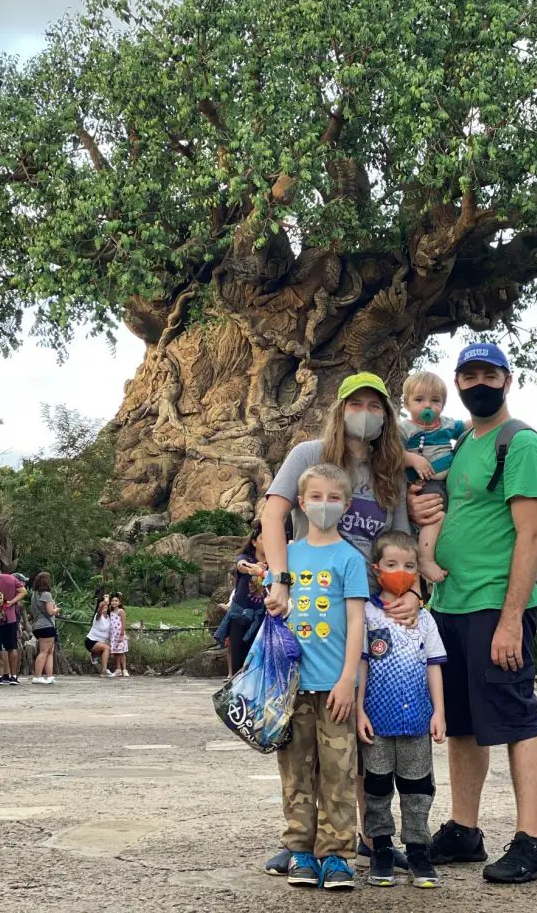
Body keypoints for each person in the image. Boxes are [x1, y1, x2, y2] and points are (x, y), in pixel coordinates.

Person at [262, 371, 419, 877]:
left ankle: (359, 838)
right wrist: (279, 580)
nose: (366, 413)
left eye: (377, 405)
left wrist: (411, 591)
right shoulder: (309, 455)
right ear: (340, 408)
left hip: (364, 609)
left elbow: (400, 544)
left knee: (352, 734)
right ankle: (301, 841)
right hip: (305, 604)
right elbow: (273, 514)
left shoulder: (390, 470)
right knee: (301, 740)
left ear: (387, 415)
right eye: (358, 404)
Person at [413, 342, 537, 885]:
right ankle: (463, 828)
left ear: (507, 380)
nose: (478, 383)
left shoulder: (517, 443)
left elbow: (533, 533)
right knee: (466, 726)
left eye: (488, 374)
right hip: (451, 603)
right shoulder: (462, 442)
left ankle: (533, 841)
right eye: (468, 374)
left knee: (518, 716)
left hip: (495, 603)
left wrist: (510, 619)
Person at [264, 463, 368, 890]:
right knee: (295, 772)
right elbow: (274, 604)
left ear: (346, 505)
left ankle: (338, 853)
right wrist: (274, 599)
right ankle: (300, 849)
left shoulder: (350, 558)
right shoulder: (287, 556)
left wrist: (348, 679)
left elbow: (357, 622)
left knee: (339, 773)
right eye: (316, 497)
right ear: (301, 503)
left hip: (334, 688)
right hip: (291, 688)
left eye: (334, 498)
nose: (324, 505)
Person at [356, 532, 446, 888]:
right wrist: (360, 710)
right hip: (377, 721)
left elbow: (434, 665)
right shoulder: (367, 614)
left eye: (409, 565)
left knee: (418, 788)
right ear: (377, 569)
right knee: (376, 787)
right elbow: (361, 665)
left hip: (417, 722)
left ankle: (418, 850)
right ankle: (380, 847)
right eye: (392, 565)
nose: (401, 572)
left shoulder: (424, 619)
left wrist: (439, 711)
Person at [399, 370, 470, 581]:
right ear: (406, 405)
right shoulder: (405, 429)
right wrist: (413, 460)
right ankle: (425, 559)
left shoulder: (446, 425)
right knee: (435, 517)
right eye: (419, 400)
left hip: (446, 481)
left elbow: (466, 426)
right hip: (424, 482)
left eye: (435, 401)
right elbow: (393, 453)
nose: (428, 406)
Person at [226, 521, 267, 674]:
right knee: (238, 663)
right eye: (263, 538)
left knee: (258, 664)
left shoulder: (276, 563)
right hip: (240, 617)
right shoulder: (245, 558)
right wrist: (254, 569)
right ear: (254, 542)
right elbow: (240, 565)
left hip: (262, 620)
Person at [30, 572, 59, 685]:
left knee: (49, 652)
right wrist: (57, 609)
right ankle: (37, 676)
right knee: (44, 651)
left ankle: (50, 676)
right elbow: (50, 612)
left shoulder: (34, 595)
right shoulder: (46, 595)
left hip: (37, 625)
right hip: (46, 626)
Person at [85, 593, 114, 677]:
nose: (105, 607)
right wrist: (104, 602)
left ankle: (95, 656)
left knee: (112, 651)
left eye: (106, 607)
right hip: (91, 641)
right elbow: (99, 611)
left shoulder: (109, 618)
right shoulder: (97, 616)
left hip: (101, 642)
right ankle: (104, 671)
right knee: (106, 648)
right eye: (104, 606)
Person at [108, 592, 129, 677]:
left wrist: (121, 635)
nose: (114, 602)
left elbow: (123, 623)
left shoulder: (121, 611)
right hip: (113, 636)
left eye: (116, 601)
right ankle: (118, 669)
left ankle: (124, 669)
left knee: (122, 652)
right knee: (116, 653)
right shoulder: (111, 612)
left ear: (119, 602)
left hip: (120, 635)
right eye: (112, 600)